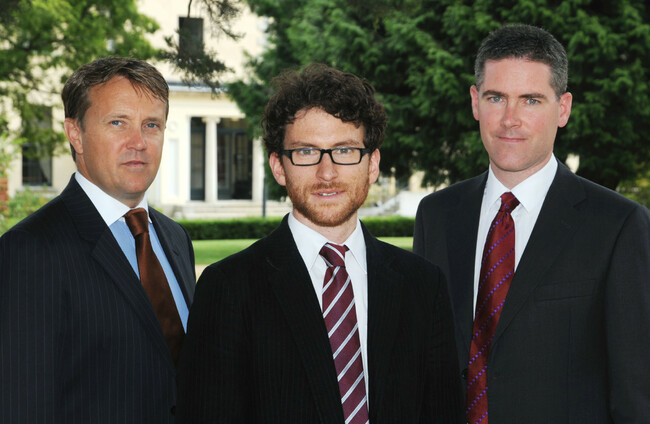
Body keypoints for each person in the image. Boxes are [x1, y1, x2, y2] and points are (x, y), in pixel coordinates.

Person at [177, 63, 463, 423]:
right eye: (306, 152)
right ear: (279, 167)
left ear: (372, 164)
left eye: (344, 151)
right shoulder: (229, 288)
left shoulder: (423, 285)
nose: (327, 173)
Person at [413, 24, 650, 423]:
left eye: (531, 100)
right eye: (496, 98)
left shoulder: (619, 225)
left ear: (563, 108)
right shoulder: (436, 215)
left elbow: (636, 392)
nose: (510, 119)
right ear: (475, 102)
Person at [0, 57, 196, 423]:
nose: (139, 142)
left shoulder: (175, 238)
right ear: (75, 133)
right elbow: (22, 404)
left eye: (151, 125)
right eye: (118, 123)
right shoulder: (29, 249)